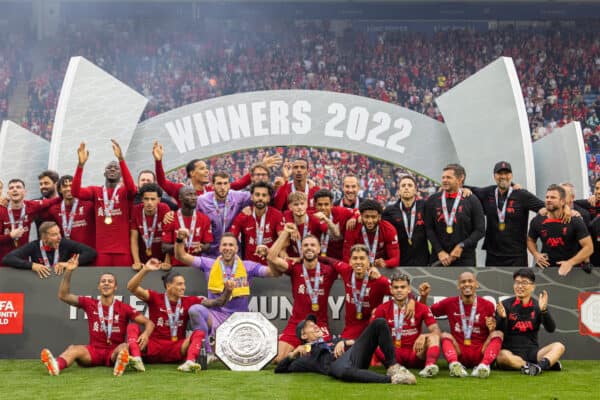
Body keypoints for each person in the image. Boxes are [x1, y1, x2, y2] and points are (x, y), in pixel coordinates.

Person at [40, 256, 154, 376]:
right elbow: (63, 295)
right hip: (93, 352)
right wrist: (69, 271)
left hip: (113, 352)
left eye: (110, 281)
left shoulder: (124, 307)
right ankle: (56, 366)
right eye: (103, 281)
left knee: (124, 347)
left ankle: (120, 364)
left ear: (115, 287)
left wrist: (145, 334)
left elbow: (149, 323)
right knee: (73, 349)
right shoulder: (89, 303)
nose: (106, 284)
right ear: (99, 287)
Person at [175, 230, 279, 356]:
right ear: (219, 248)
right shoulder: (209, 264)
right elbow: (181, 256)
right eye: (224, 245)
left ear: (236, 248)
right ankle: (206, 353)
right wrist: (180, 240)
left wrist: (268, 256)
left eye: (231, 245)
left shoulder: (248, 266)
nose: (227, 248)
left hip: (239, 318)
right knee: (195, 310)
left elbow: (273, 273)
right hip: (216, 315)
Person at [126, 258, 232, 372]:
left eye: (184, 284)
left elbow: (217, 302)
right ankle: (137, 359)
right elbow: (131, 287)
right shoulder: (155, 298)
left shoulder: (189, 301)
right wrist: (145, 270)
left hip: (178, 347)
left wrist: (228, 291)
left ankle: (190, 362)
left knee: (199, 333)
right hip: (154, 346)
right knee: (132, 327)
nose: (183, 287)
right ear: (168, 286)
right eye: (179, 284)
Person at [274, 314, 416, 384]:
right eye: (310, 326)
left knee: (379, 322)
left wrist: (345, 342)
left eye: (315, 324)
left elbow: (357, 343)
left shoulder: (333, 340)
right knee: (337, 370)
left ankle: (393, 366)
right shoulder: (305, 356)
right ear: (303, 335)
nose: (316, 326)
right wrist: (293, 353)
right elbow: (279, 370)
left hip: (354, 357)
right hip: (338, 367)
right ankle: (393, 379)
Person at [268, 228, 338, 363]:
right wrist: (285, 233)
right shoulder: (295, 268)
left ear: (319, 249)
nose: (309, 248)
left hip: (319, 325)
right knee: (277, 359)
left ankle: (300, 350)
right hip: (296, 323)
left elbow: (350, 267)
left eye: (313, 245)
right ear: (301, 249)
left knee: (323, 358)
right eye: (305, 245)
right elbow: (271, 257)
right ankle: (298, 350)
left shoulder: (329, 270)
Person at [420, 271, 503, 378]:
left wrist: (491, 329)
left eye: (470, 281)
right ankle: (454, 365)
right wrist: (424, 297)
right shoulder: (449, 303)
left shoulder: (488, 305)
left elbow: (491, 332)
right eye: (463, 282)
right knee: (445, 335)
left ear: (476, 284)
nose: (467, 284)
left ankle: (484, 366)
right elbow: (426, 313)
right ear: (459, 285)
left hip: (480, 351)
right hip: (459, 351)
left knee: (498, 334)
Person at [71, 140, 137, 266]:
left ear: (121, 173)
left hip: (123, 251)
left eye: (116, 168)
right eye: (109, 168)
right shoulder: (96, 191)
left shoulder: (124, 191)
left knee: (124, 285)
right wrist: (80, 166)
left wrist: (121, 159)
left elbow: (132, 189)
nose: (112, 169)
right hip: (102, 251)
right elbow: (75, 192)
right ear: (104, 173)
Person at [152, 141, 280, 206]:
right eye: (202, 168)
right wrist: (158, 161)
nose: (207, 170)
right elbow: (162, 182)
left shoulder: (212, 189)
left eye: (207, 168)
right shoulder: (181, 190)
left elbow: (239, 184)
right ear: (192, 173)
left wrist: (261, 166)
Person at [466, 161, 544, 266]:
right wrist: (464, 189)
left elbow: (545, 207)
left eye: (506, 173)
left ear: (511, 175)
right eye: (499, 174)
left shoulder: (522, 195)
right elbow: (463, 187)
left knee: (518, 282)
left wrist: (567, 209)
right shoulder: (488, 192)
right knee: (492, 282)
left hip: (516, 255)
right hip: (493, 254)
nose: (503, 176)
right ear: (494, 176)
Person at [495, 268, 565, 375]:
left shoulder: (538, 306)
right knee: (501, 356)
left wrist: (544, 311)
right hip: (511, 353)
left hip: (533, 353)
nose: (520, 286)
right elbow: (499, 332)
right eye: (517, 283)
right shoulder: (504, 305)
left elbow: (551, 329)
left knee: (559, 346)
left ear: (533, 287)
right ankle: (542, 365)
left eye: (524, 283)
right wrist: (503, 318)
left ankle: (539, 367)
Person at [372, 273, 441, 378]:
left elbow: (436, 331)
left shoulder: (421, 307)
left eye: (403, 287)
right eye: (396, 287)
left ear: (409, 289)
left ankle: (429, 367)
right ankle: (392, 366)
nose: (399, 290)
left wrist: (424, 336)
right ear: (391, 290)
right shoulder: (382, 309)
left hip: (415, 352)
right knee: (374, 340)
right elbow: (372, 335)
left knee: (434, 337)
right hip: (392, 354)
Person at [319, 244, 393, 340]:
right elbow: (329, 261)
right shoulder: (346, 270)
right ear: (350, 261)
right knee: (340, 351)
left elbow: (403, 293)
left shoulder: (378, 280)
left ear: (368, 261)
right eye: (355, 258)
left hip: (373, 329)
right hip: (351, 330)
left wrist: (411, 302)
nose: (358, 262)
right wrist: (303, 258)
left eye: (362, 258)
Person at [425, 164, 485, 266]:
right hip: (439, 258)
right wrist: (439, 251)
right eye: (443, 177)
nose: (444, 180)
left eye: (449, 177)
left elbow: (480, 230)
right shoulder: (432, 200)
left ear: (460, 179)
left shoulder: (472, 200)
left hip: (465, 258)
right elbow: (429, 229)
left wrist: (462, 246)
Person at [527, 184, 593, 276]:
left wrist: (570, 262)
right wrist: (536, 254)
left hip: (571, 272)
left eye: (553, 197)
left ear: (562, 202)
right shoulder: (537, 220)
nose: (549, 200)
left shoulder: (575, 220)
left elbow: (589, 248)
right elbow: (530, 240)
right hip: (545, 270)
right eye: (547, 197)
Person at [2, 221, 97, 278]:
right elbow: (8, 258)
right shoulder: (34, 246)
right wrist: (32, 265)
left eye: (59, 233)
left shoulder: (64, 243)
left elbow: (91, 252)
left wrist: (68, 264)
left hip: (63, 282)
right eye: (54, 235)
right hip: (40, 284)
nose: (59, 237)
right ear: (44, 238)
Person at [0, 179, 60, 262]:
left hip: (23, 261)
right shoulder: (1, 210)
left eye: (18, 187)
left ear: (25, 192)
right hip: (3, 263)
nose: (14, 189)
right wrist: (10, 236)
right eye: (11, 188)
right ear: (8, 193)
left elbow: (53, 201)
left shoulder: (31, 206)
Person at [196, 172, 253, 257]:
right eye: (219, 183)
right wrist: (169, 214)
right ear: (212, 185)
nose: (222, 187)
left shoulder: (238, 197)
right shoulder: (201, 201)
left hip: (233, 252)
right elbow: (188, 216)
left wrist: (275, 188)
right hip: (210, 253)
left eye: (225, 183)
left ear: (229, 185)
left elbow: (260, 196)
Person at [229, 182, 284, 263]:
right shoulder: (244, 215)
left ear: (269, 198)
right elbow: (231, 237)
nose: (260, 198)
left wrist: (270, 251)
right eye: (257, 195)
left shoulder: (277, 215)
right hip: (250, 267)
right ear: (252, 197)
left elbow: (283, 240)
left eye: (264, 195)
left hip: (271, 265)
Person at [383, 175, 429, 266]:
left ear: (415, 190)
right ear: (399, 191)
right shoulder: (389, 211)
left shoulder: (425, 206)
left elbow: (440, 200)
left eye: (410, 185)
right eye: (403, 186)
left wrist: (464, 189)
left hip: (422, 260)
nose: (406, 188)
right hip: (400, 261)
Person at [161, 187, 212, 266]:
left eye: (195, 195)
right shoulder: (170, 218)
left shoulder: (204, 219)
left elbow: (208, 245)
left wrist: (202, 248)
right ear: (180, 198)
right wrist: (180, 246)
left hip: (197, 267)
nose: (193, 198)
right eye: (189, 195)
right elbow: (164, 247)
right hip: (176, 267)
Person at [41, 175, 96, 248]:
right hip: (67, 254)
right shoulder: (53, 210)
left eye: (71, 186)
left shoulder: (89, 205)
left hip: (89, 252)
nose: (69, 189)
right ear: (60, 189)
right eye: (65, 186)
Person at [343, 199, 400, 269]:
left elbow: (395, 259)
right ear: (361, 216)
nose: (370, 221)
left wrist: (385, 263)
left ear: (379, 217)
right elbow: (346, 257)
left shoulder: (389, 229)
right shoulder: (352, 228)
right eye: (366, 217)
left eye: (373, 217)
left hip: (380, 269)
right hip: (358, 268)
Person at [130, 183, 171, 270]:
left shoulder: (164, 208)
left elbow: (169, 236)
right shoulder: (136, 210)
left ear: (159, 200)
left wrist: (167, 261)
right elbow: (134, 238)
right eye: (146, 199)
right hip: (143, 261)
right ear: (142, 199)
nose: (149, 202)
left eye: (153, 199)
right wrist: (136, 261)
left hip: (162, 260)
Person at [283, 191, 334, 258]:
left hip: (314, 258)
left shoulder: (314, 218)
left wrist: (328, 221)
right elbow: (286, 213)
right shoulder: (286, 217)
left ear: (307, 204)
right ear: (290, 207)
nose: (299, 207)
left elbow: (330, 233)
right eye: (296, 204)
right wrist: (292, 225)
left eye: (302, 204)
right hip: (294, 259)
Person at [313, 189, 355, 260]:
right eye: (320, 204)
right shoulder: (311, 216)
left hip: (338, 259)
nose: (323, 208)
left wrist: (354, 217)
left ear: (331, 204)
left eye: (326, 204)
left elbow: (357, 212)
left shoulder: (341, 212)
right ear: (315, 205)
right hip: (318, 260)